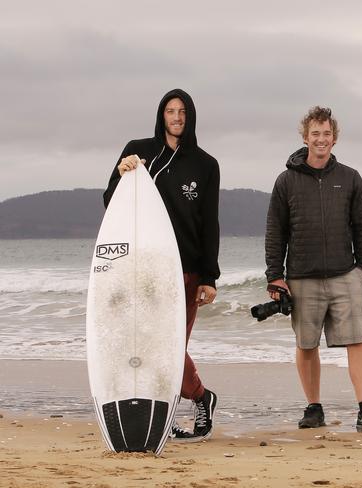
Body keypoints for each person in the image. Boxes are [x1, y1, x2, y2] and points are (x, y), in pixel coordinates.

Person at [264, 106, 362, 431]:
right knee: (306, 345)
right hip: (301, 276)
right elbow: (275, 231)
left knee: (358, 340)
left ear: (334, 138)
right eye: (315, 134)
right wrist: (275, 276)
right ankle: (313, 408)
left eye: (326, 134)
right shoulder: (286, 181)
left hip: (344, 274)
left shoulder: (350, 178)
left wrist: (361, 267)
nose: (321, 139)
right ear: (305, 137)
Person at [103, 88, 220, 443]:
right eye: (171, 111)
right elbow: (111, 200)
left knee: (169, 348)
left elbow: (209, 223)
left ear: (191, 116)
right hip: (141, 267)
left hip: (184, 270)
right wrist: (123, 173)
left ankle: (199, 398)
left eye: (182, 111)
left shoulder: (205, 164)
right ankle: (183, 405)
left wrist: (209, 276)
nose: (177, 117)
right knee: (147, 345)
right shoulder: (138, 152)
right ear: (161, 115)